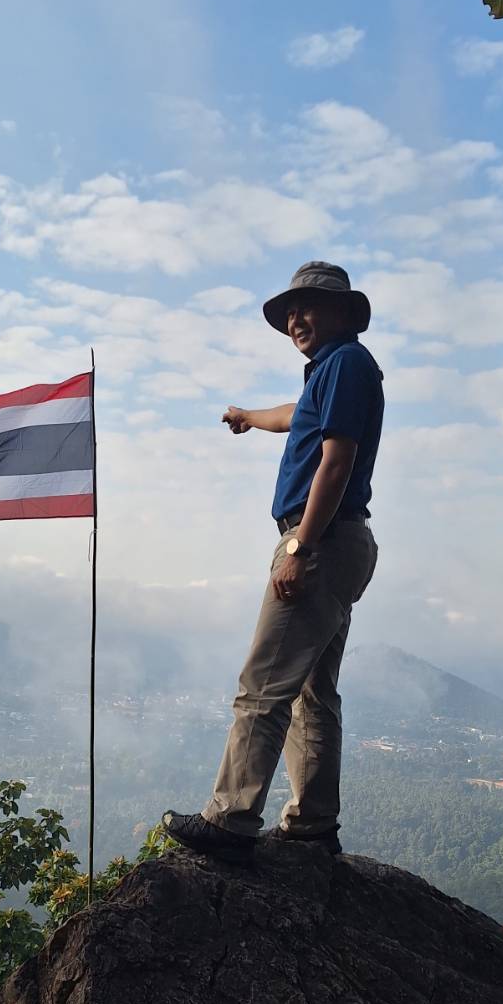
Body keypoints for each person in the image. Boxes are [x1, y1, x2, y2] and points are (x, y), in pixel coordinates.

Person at [164, 261, 383, 864]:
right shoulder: (334, 372)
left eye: (307, 306)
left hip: (320, 540)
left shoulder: (345, 363)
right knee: (313, 691)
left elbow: (335, 461)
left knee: (262, 686)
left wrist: (300, 548)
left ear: (342, 313)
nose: (295, 320)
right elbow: (293, 415)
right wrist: (247, 417)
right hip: (342, 541)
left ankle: (230, 818)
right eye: (290, 312)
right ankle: (313, 823)